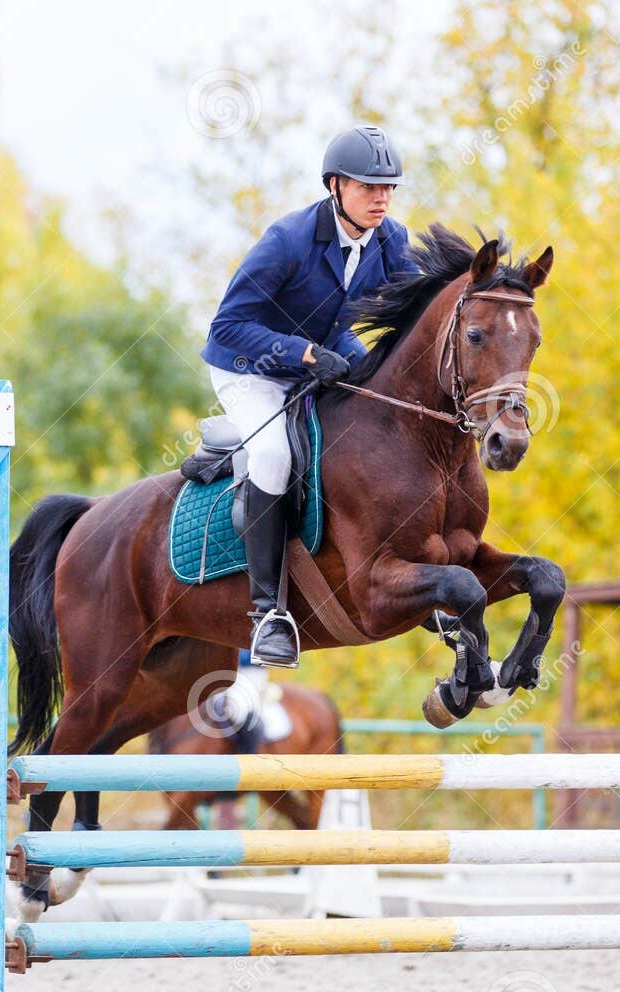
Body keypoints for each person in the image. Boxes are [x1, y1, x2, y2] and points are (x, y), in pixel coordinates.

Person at [200, 125, 419, 668]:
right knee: (274, 453)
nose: (382, 198)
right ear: (336, 186)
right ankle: (268, 612)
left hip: (317, 363)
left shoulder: (392, 240)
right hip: (248, 369)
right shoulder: (288, 240)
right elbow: (226, 327)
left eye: (388, 187)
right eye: (369, 186)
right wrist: (300, 353)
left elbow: (416, 312)